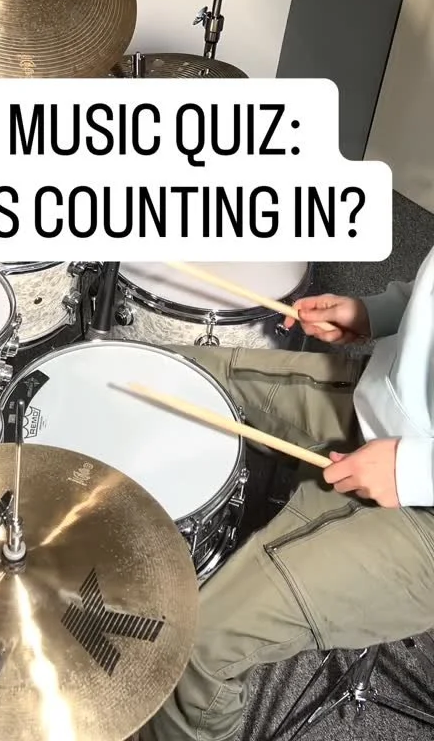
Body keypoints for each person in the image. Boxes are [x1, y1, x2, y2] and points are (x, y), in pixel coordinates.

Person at [140, 251, 434, 741]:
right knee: (167, 373)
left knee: (199, 646)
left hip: (424, 508)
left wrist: (415, 470)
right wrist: (375, 312)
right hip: (380, 405)